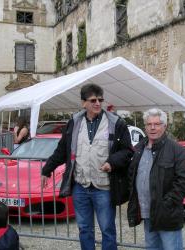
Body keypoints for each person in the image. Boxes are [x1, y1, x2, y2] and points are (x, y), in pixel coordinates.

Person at [41, 83, 133, 250]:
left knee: (107, 230)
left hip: (103, 187)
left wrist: (112, 162)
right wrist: (47, 169)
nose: (97, 103)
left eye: (100, 100)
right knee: (84, 229)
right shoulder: (74, 123)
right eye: (93, 100)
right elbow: (62, 150)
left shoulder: (116, 123)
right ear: (83, 103)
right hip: (80, 187)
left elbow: (127, 151)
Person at [127, 108, 185, 250]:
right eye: (149, 124)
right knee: (152, 247)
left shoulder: (177, 150)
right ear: (144, 126)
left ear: (165, 126)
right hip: (147, 212)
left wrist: (167, 203)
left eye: (157, 124)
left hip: (167, 215)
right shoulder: (139, 149)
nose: (152, 127)